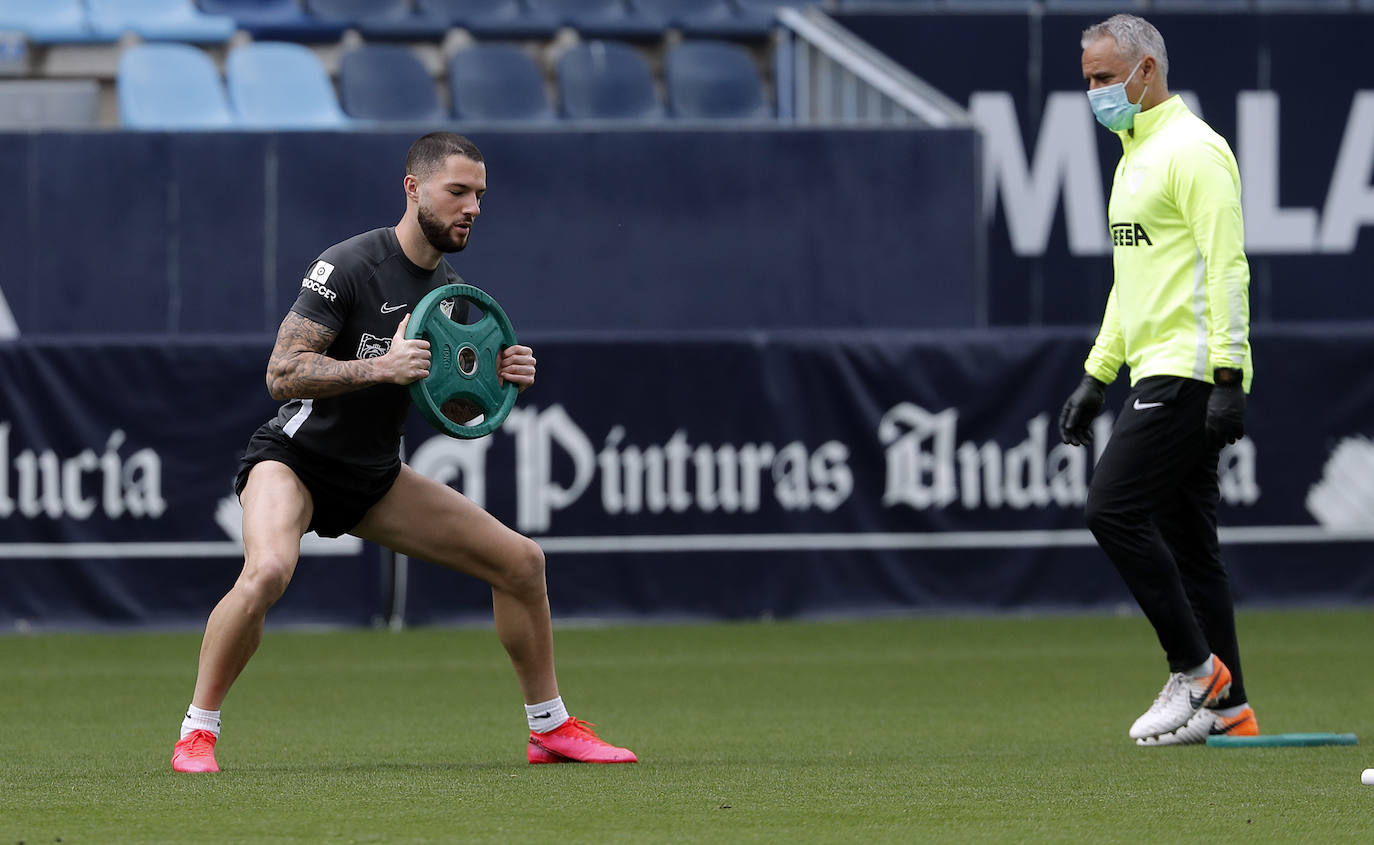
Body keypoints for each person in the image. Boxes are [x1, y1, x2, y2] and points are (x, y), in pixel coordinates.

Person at [172, 132, 636, 772]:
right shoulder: (349, 265)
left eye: (479, 194)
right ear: (413, 188)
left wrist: (498, 380)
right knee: (269, 571)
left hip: (374, 478)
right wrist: (381, 368)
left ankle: (548, 729)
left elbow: (450, 409)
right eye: (457, 192)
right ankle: (198, 731)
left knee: (523, 563)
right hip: (295, 460)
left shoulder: (450, 292)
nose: (471, 206)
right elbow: (282, 374)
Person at [1058, 15, 1258, 747]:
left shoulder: (1195, 151)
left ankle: (1195, 670)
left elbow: (1226, 264)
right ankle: (1231, 709)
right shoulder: (1132, 154)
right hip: (1153, 363)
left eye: (1105, 78)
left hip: (1190, 368)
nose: (1095, 93)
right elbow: (1133, 282)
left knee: (1110, 508)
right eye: (1088, 80)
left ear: (1147, 71)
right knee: (1190, 542)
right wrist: (1095, 373)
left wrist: (1230, 372)